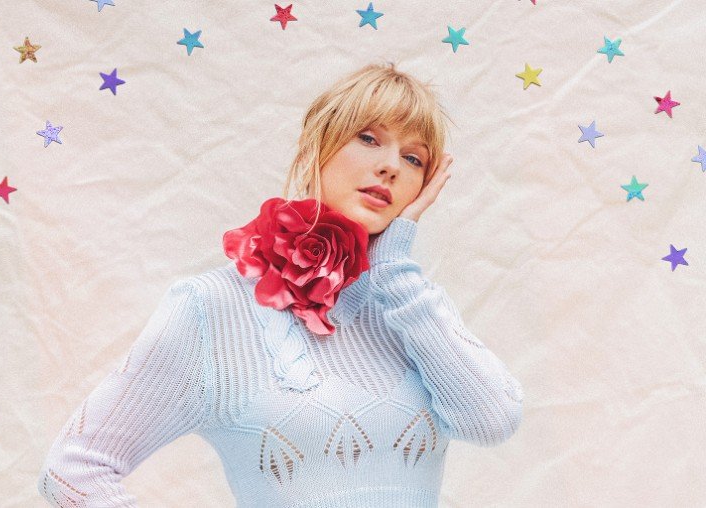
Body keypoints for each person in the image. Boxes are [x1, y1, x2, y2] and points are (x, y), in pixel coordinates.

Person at [37, 61, 524, 507]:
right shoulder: (212, 306)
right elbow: (73, 471)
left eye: (414, 159)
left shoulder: (412, 306)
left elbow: (492, 422)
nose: (391, 166)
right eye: (369, 138)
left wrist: (394, 269)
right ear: (317, 146)